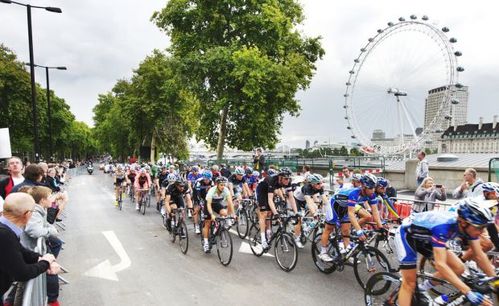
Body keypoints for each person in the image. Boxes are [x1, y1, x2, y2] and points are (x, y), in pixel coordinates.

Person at [394, 198, 496, 306]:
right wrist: (468, 292)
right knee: (409, 283)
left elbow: (479, 254)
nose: (481, 232)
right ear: (464, 223)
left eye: (483, 228)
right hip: (406, 235)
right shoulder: (443, 227)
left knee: (459, 268)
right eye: (479, 228)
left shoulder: (469, 228)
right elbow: (440, 265)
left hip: (427, 237)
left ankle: (422, 288)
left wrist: (496, 282)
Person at [0, 193, 60, 305]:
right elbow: (22, 273)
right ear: (27, 214)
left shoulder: (6, 229)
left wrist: (43, 258)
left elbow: (21, 251)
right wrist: (45, 263)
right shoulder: (4, 234)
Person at [318, 173, 384, 262]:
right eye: (370, 188)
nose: (373, 190)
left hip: (345, 207)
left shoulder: (371, 195)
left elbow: (375, 211)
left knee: (346, 231)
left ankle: (347, 254)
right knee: (329, 228)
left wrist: (380, 227)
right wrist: (359, 231)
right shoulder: (354, 193)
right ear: (364, 187)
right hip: (334, 205)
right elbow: (351, 214)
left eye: (374, 188)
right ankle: (323, 252)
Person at [20, 186, 61, 306]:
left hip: (35, 248)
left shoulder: (41, 209)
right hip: (31, 250)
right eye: (49, 197)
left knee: (24, 284)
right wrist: (51, 231)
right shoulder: (35, 212)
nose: (52, 200)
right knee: (49, 273)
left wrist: (49, 229)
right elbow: (35, 231)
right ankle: (52, 301)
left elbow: (47, 224)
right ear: (42, 200)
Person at [255, 168, 297, 249]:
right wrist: (276, 214)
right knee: (264, 213)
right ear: (280, 177)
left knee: (270, 213)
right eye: (285, 179)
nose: (287, 181)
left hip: (270, 191)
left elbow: (291, 197)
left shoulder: (287, 182)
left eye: (289, 179)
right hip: (261, 190)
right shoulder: (272, 180)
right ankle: (263, 239)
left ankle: (268, 232)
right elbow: (270, 200)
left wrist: (296, 212)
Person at [293, 173, 328, 248]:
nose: (320, 184)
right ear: (313, 184)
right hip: (297, 199)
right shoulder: (307, 188)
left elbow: (325, 200)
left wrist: (329, 210)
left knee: (316, 207)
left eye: (321, 182)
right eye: (318, 183)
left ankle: (306, 222)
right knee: (299, 219)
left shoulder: (319, 187)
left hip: (305, 199)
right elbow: (309, 202)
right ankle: (297, 238)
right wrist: (314, 213)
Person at [202, 176, 234, 253]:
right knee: (208, 223)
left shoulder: (226, 190)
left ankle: (219, 228)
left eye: (224, 185)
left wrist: (232, 214)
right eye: (221, 185)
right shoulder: (212, 190)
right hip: (209, 204)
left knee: (224, 213)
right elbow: (209, 204)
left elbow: (230, 203)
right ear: (217, 184)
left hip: (216, 203)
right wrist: (212, 214)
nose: (223, 187)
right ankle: (206, 243)